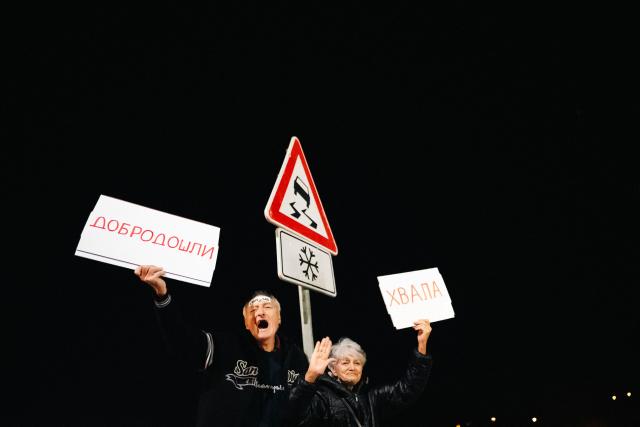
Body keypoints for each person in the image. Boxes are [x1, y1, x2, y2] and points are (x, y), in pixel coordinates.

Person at [135, 265, 309, 427]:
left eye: (267, 306)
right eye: (252, 310)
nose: (259, 312)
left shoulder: (296, 358)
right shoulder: (225, 346)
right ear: (247, 323)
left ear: (279, 318)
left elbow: (305, 408)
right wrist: (162, 295)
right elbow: (182, 341)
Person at [288, 320, 432, 426]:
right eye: (345, 362)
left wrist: (422, 345)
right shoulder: (321, 396)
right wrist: (310, 376)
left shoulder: (370, 398)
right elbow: (294, 416)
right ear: (332, 369)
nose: (352, 367)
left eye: (357, 363)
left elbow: (407, 390)